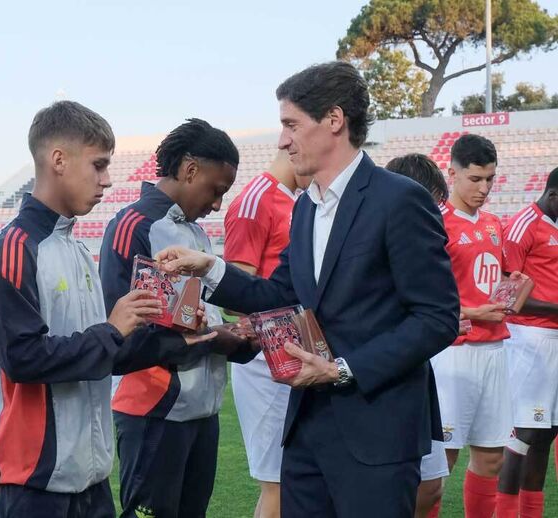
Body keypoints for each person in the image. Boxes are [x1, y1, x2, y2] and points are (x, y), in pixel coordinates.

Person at [154, 61, 460, 518]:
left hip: (376, 432)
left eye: (291, 124)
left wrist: (342, 369)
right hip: (307, 428)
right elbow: (279, 294)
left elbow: (437, 318)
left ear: (334, 121)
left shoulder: (399, 200)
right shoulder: (304, 210)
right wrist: (210, 270)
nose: (282, 140)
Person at [0, 101, 222, 518]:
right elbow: (22, 358)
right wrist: (112, 330)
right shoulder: (16, 248)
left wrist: (178, 338)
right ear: (58, 160)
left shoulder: (75, 248)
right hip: (32, 480)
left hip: (89, 477)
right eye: (99, 165)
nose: (108, 180)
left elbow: (109, 353)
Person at [99, 118, 256, 518]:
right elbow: (120, 335)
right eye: (216, 190)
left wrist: (236, 337)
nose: (218, 204)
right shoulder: (134, 226)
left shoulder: (198, 235)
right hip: (154, 411)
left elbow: (200, 318)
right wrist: (207, 339)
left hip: (202, 412)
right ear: (190, 170)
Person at [434, 134, 525, 518]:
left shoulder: (493, 224)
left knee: (491, 460)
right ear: (452, 172)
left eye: (490, 179)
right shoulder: (436, 222)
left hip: (494, 352)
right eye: (475, 179)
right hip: (454, 354)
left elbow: (496, 279)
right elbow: (428, 297)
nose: (484, 188)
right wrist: (474, 312)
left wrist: (513, 288)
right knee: (440, 467)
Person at [223, 149, 309, 518]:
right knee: (278, 484)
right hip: (265, 361)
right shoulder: (256, 199)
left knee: (295, 479)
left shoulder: (299, 201)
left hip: (298, 357)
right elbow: (236, 297)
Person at [385, 153, 452, 518]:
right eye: (430, 203)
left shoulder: (425, 239)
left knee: (430, 485)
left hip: (418, 374)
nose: (436, 214)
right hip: (379, 381)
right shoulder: (375, 237)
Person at [495, 165, 558, 518]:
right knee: (524, 433)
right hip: (529, 338)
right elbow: (506, 294)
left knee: (547, 435)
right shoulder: (523, 226)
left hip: (554, 340)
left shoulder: (554, 225)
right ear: (553, 196)